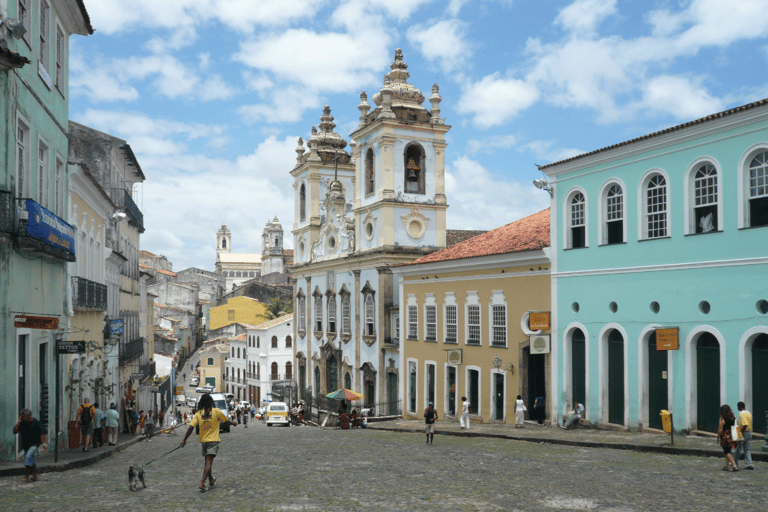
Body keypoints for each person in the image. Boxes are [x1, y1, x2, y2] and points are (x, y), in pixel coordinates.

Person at [180, 393, 237, 492]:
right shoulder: (216, 412)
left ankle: (211, 479)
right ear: (211, 402)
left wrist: (184, 439)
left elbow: (191, 427)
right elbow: (225, 422)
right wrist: (233, 423)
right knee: (208, 462)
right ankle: (202, 483)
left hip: (204, 441)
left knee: (207, 461)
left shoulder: (199, 414)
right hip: (213, 441)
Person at [13, 408, 46, 483]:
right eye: (22, 417)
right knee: (31, 460)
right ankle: (35, 477)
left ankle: (26, 476)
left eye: (25, 417)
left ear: (29, 416)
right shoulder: (22, 423)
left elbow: (41, 434)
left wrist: (44, 444)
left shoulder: (36, 422)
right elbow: (15, 431)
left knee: (28, 457)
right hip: (26, 445)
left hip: (35, 444)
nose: (24, 418)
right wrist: (19, 422)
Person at [733, 401, 754, 470]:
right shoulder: (749, 413)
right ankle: (749, 463)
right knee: (747, 449)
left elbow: (745, 424)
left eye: (738, 407)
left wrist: (741, 432)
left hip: (743, 433)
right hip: (749, 433)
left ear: (739, 407)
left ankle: (735, 463)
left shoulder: (741, 413)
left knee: (738, 449)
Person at [718, 404, 738, 471]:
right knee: (728, 451)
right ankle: (726, 466)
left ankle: (734, 464)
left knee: (727, 452)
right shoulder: (734, 417)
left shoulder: (722, 418)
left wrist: (718, 437)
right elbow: (737, 425)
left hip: (724, 437)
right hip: (732, 436)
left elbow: (720, 429)